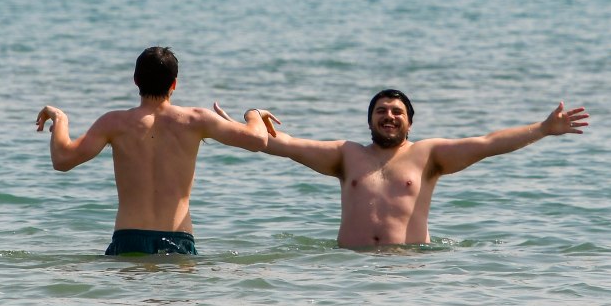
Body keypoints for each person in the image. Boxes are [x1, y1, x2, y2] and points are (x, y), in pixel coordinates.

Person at [216, 90, 588, 249]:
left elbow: (489, 143)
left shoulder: (430, 156)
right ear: (370, 121)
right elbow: (283, 144)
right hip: (351, 269)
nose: (389, 117)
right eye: (381, 112)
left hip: (411, 270)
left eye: (397, 113)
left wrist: (542, 129)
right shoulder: (345, 155)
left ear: (410, 122)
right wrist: (242, 126)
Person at [35, 46, 270, 256]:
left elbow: (63, 159)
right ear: (174, 84)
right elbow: (258, 140)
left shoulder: (113, 123)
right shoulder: (196, 120)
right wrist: (254, 114)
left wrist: (60, 118)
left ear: (135, 80)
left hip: (128, 239)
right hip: (177, 240)